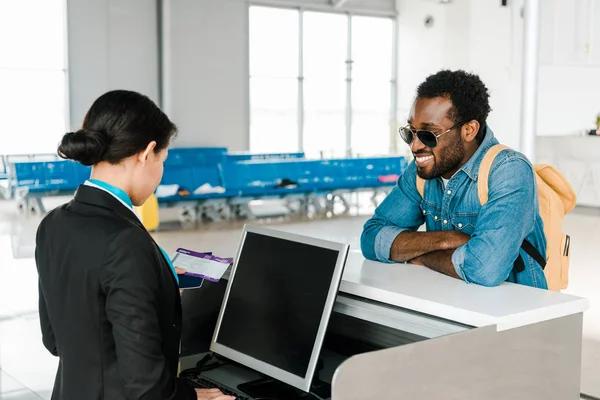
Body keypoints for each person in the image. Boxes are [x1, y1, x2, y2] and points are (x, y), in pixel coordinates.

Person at [35, 90, 234, 400]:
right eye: (163, 161)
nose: (160, 174)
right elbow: (147, 388)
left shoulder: (53, 223)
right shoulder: (125, 242)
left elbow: (56, 339)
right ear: (146, 153)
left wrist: (156, 287)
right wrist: (192, 397)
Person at [361, 70, 547, 289]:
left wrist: (418, 255)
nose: (415, 146)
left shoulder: (509, 170)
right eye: (410, 132)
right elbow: (371, 239)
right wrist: (446, 239)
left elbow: (484, 269)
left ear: (469, 130)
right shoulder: (421, 169)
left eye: (429, 135)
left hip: (514, 313)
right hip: (450, 303)